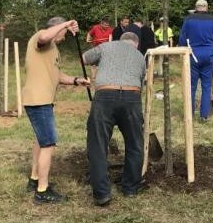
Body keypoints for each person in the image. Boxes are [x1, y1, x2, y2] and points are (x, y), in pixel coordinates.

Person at [22, 17, 89, 204]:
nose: (65, 36)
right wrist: (66, 24)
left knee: (40, 139)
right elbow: (44, 36)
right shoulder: (42, 39)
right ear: (57, 29)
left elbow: (57, 75)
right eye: (65, 33)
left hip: (43, 100)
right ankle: (42, 191)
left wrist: (76, 80)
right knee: (48, 143)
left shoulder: (53, 49)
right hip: (38, 100)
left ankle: (34, 179)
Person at [82, 32, 147, 207]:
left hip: (104, 95)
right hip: (132, 97)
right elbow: (142, 82)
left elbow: (84, 59)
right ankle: (130, 188)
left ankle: (102, 193)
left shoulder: (105, 47)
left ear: (121, 40)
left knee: (98, 144)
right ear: (136, 44)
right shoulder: (140, 56)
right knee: (135, 143)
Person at [178, 0, 213, 122]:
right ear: (207, 8)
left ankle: (190, 114)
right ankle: (204, 116)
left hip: (192, 55)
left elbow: (182, 40)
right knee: (206, 86)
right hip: (208, 55)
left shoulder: (188, 20)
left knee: (191, 86)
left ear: (195, 7)